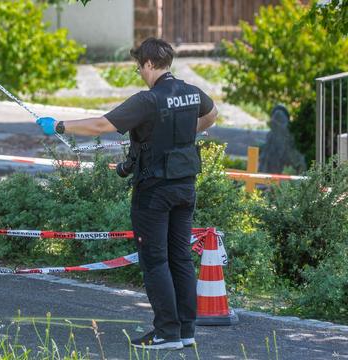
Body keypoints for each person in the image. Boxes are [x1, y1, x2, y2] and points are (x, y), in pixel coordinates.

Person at [36, 37, 217, 350]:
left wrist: (59, 126)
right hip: (186, 186)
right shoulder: (191, 92)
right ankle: (185, 330)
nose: (139, 72)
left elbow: (100, 125)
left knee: (156, 260)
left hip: (154, 190)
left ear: (148, 64)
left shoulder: (147, 100)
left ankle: (165, 333)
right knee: (181, 258)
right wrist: (181, 136)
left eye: (139, 67)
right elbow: (212, 115)